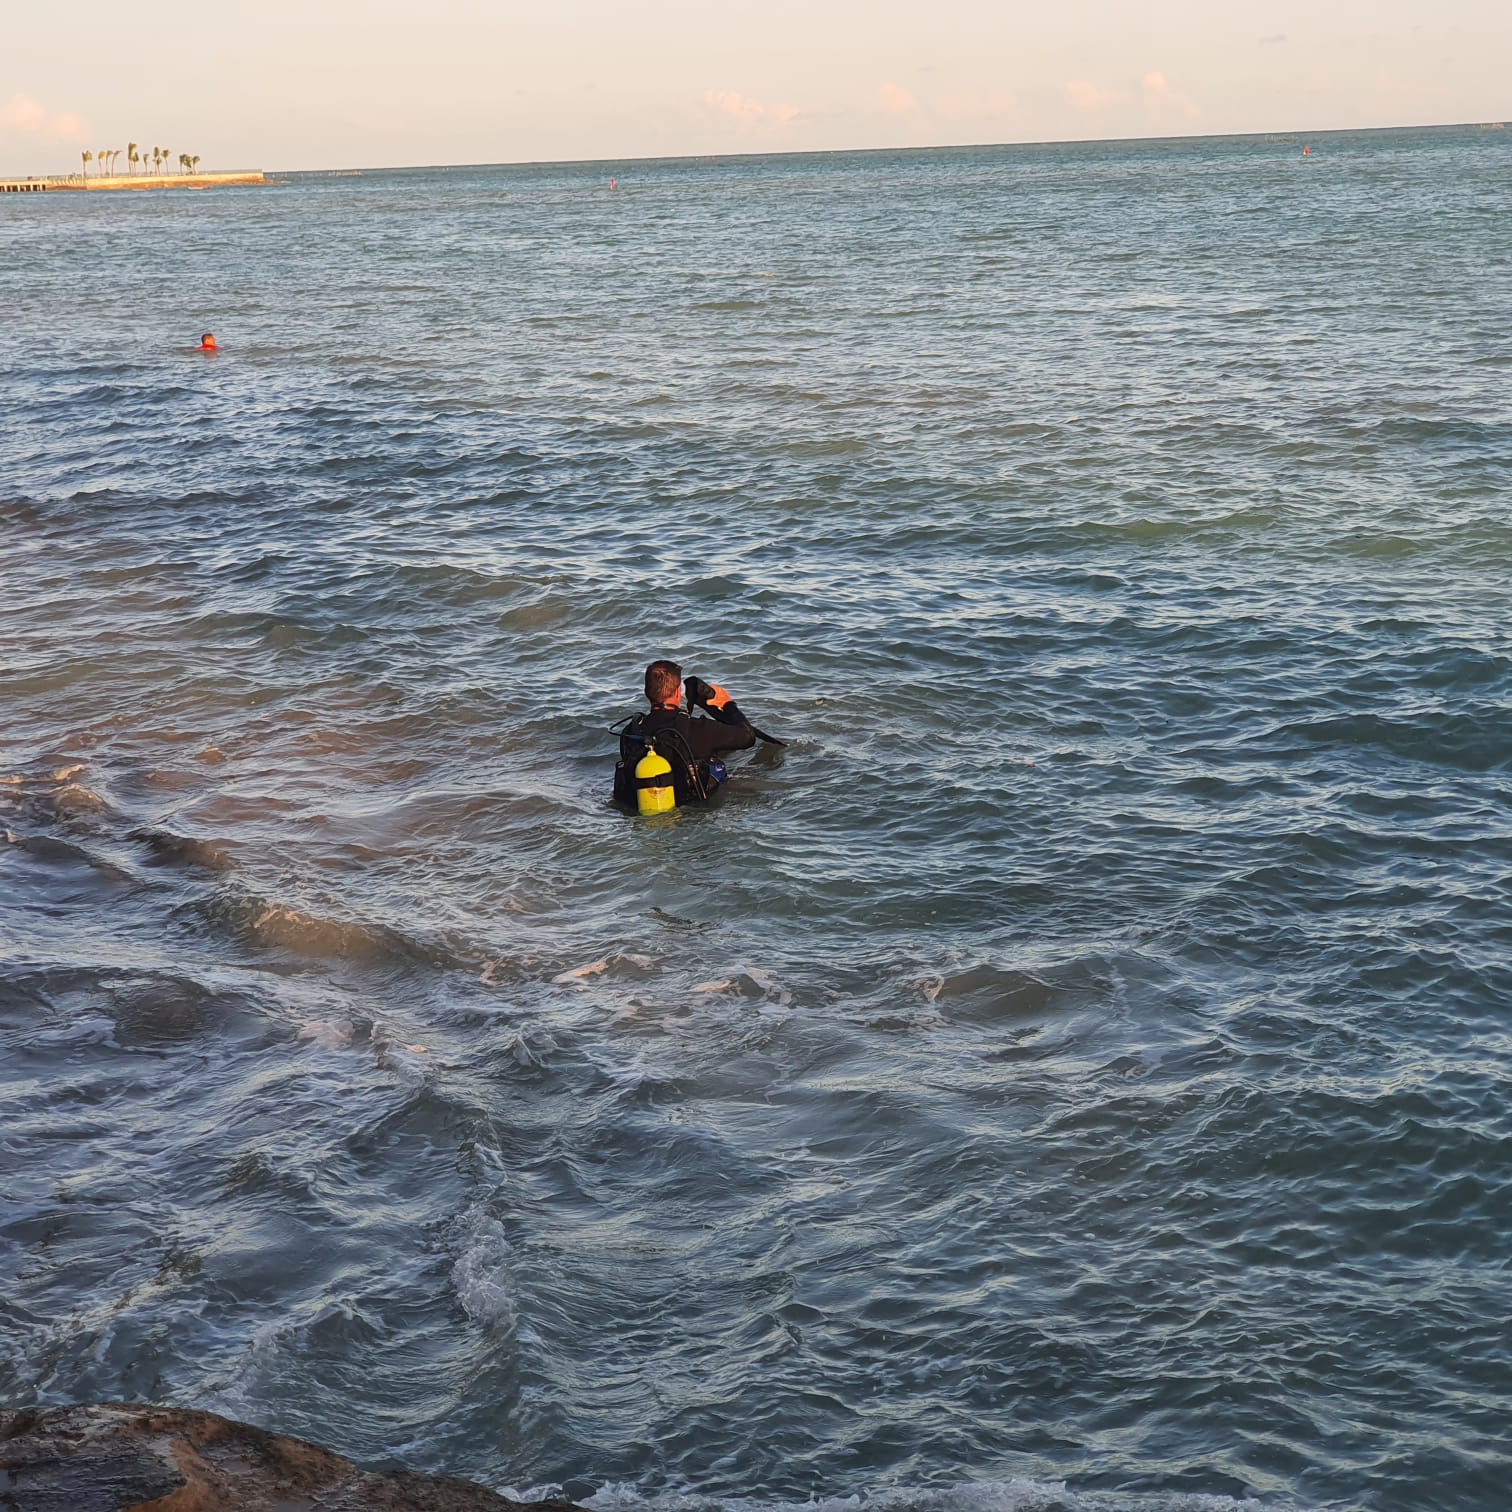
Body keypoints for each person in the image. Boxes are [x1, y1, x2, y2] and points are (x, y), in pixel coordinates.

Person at [612, 659, 755, 808]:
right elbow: (747, 737)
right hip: (694, 809)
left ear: (646, 692)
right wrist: (728, 704)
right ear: (678, 692)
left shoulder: (631, 731)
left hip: (645, 805)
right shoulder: (700, 729)